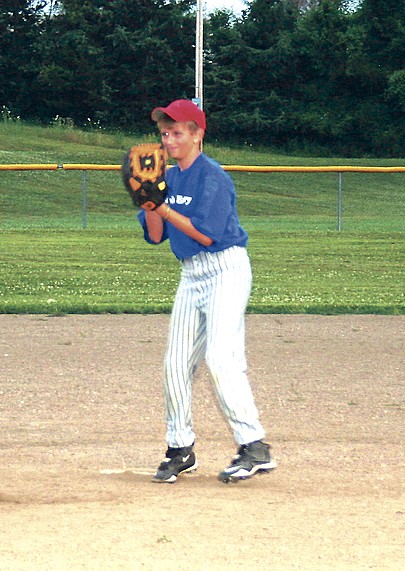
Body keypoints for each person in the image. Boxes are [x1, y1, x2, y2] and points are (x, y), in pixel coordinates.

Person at [136, 99, 276, 483]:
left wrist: (161, 206)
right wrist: (148, 199)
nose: (169, 139)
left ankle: (254, 446)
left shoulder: (213, 177)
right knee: (175, 362)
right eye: (164, 133)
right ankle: (180, 448)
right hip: (190, 274)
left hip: (225, 268)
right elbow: (155, 234)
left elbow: (206, 234)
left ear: (198, 135)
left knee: (220, 356)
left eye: (177, 132)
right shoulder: (168, 176)